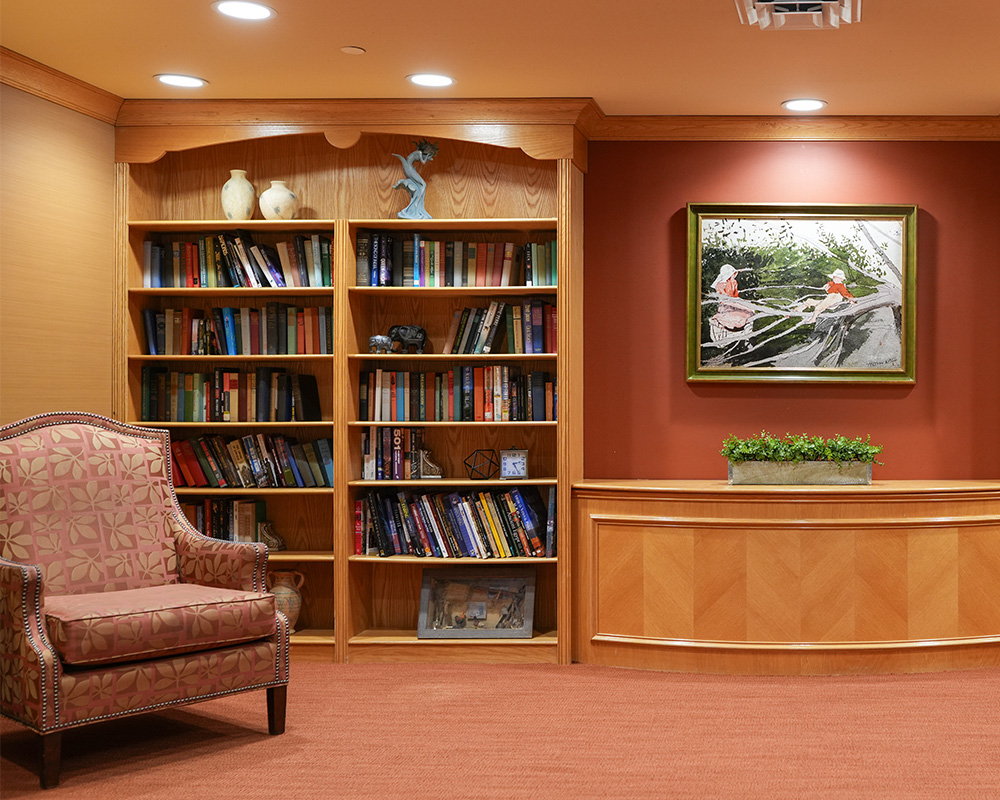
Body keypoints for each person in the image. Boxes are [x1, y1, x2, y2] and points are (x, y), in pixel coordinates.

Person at [708, 263, 754, 342]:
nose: (734, 276)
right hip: (726, 305)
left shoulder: (734, 282)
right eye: (732, 274)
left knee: (749, 310)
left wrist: (741, 302)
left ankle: (747, 334)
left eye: (734, 274)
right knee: (743, 312)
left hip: (734, 302)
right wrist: (739, 304)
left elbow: (735, 296)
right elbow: (724, 299)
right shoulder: (720, 285)